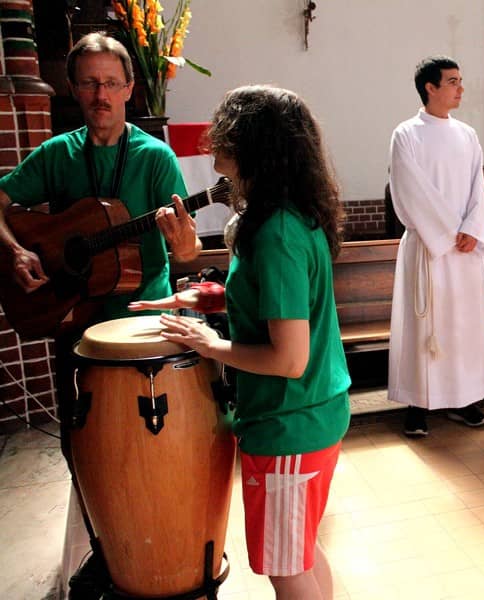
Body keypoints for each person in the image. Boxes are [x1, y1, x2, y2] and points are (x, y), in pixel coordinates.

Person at [131, 85, 351, 598]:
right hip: (308, 414)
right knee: (300, 553)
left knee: (286, 568)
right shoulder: (287, 217)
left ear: (252, 142)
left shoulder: (276, 232)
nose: (212, 140)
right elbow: (280, 307)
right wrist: (209, 299)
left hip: (289, 421)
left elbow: (289, 357)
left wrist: (207, 343)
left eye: (223, 128)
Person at [0, 32, 198, 598]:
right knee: (78, 440)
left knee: (143, 447)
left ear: (131, 88)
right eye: (89, 83)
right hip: (74, 322)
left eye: (111, 83)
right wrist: (16, 250)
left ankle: (154, 549)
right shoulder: (56, 154)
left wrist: (184, 244)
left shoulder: (155, 158)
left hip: (141, 326)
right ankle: (100, 550)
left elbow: (186, 255)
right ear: (72, 88)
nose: (101, 95)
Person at [387, 56, 484, 437]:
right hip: (428, 247)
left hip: (464, 251)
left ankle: (464, 399)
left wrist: (473, 229)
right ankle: (418, 405)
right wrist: (451, 232)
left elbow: (478, 188)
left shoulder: (467, 135)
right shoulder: (407, 134)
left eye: (460, 80)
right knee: (425, 327)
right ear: (430, 88)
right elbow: (410, 189)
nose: (460, 88)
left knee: (464, 326)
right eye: (452, 81)